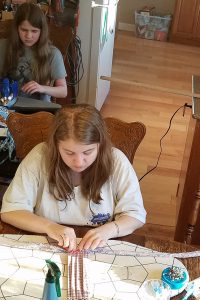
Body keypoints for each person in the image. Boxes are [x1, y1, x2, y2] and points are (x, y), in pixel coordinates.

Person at [1, 104, 146, 251]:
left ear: (100, 145)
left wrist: (108, 230)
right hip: (47, 241)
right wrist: (49, 226)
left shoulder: (117, 161)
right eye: (69, 153)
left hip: (99, 245)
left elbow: (135, 215)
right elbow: (10, 211)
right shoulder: (39, 158)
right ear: (56, 145)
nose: (78, 162)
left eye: (88, 152)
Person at [0, 2, 67, 102]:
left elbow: (63, 91)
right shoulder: (3, 46)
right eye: (24, 30)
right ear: (16, 28)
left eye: (34, 31)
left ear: (42, 31)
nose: (28, 36)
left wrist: (42, 88)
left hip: (39, 111)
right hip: (8, 107)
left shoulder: (53, 53)